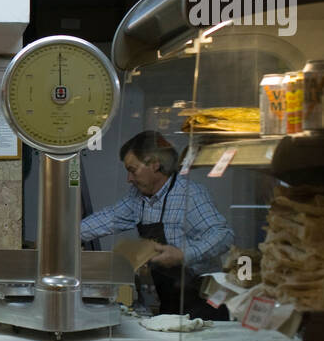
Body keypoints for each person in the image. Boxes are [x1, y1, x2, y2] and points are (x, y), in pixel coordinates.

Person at [81, 131, 233, 320]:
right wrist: (64, 236)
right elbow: (108, 217)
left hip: (202, 305)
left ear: (155, 164)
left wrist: (184, 254)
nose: (129, 178)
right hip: (169, 302)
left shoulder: (190, 195)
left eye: (132, 169)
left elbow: (223, 235)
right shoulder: (138, 198)